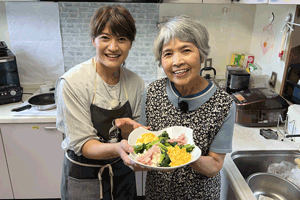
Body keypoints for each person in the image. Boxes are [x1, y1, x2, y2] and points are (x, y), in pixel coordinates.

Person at [138, 15, 236, 199]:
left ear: (202, 54)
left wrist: (183, 154)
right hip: (157, 193)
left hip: (200, 195)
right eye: (168, 53)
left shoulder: (223, 104)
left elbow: (214, 166)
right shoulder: (152, 92)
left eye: (186, 50)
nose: (177, 62)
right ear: (161, 60)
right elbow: (143, 142)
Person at [55, 5, 145, 200]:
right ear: (93, 40)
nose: (113, 47)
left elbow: (132, 137)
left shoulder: (135, 83)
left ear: (130, 43)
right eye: (105, 37)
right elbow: (84, 143)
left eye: (122, 39)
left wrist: (132, 132)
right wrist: (117, 148)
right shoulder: (73, 82)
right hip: (84, 176)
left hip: (123, 173)